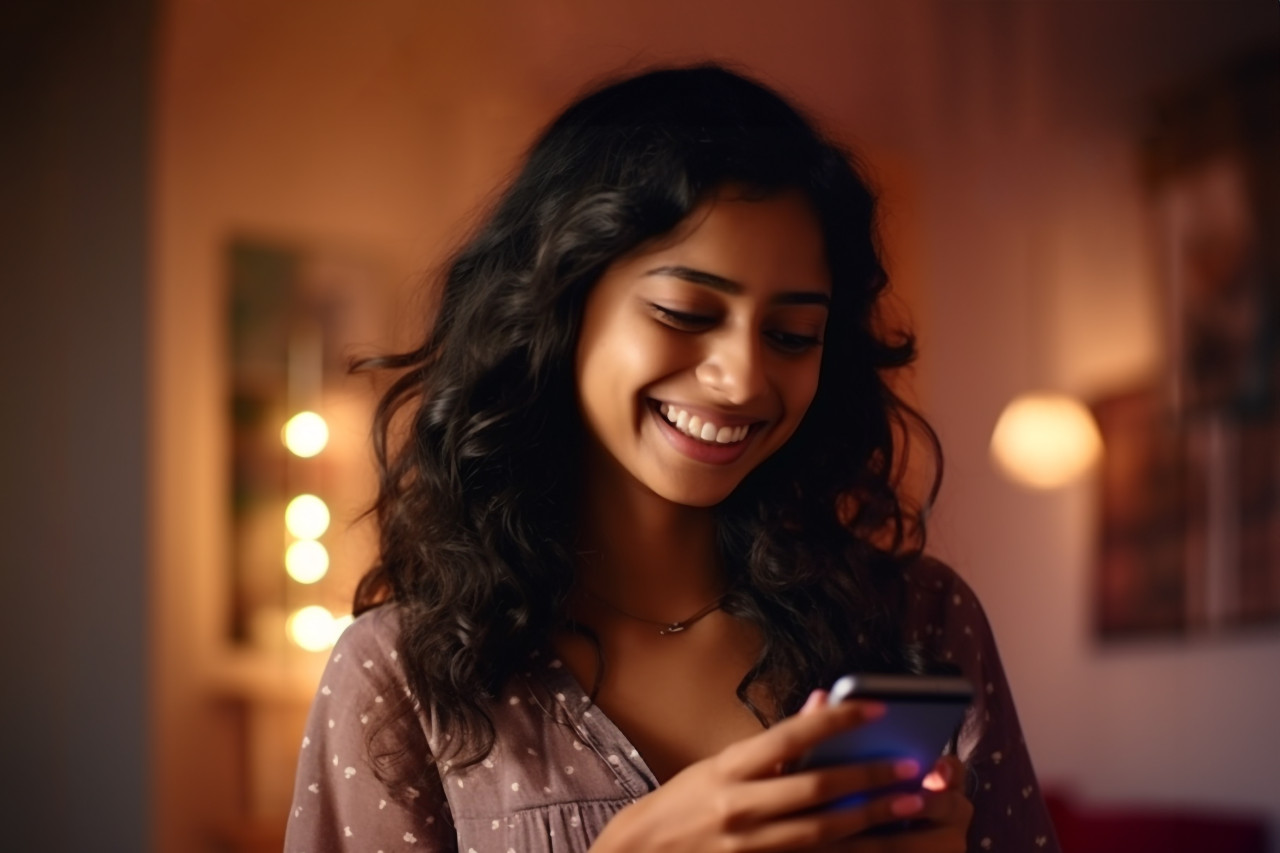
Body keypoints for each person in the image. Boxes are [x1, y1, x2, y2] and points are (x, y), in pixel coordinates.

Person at [284, 64, 1060, 852]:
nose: (742, 377)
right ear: (558, 305)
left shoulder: (923, 620)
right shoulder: (400, 675)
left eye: (792, 334)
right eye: (685, 312)